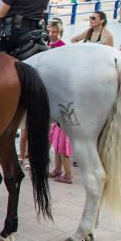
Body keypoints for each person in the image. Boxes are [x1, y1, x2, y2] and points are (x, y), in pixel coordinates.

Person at [45, 20, 73, 183]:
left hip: (59, 101)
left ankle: (67, 173)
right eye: (50, 31)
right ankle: (57, 169)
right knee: (56, 142)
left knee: (63, 144)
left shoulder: (62, 47)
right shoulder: (46, 44)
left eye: (54, 32)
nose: (51, 34)